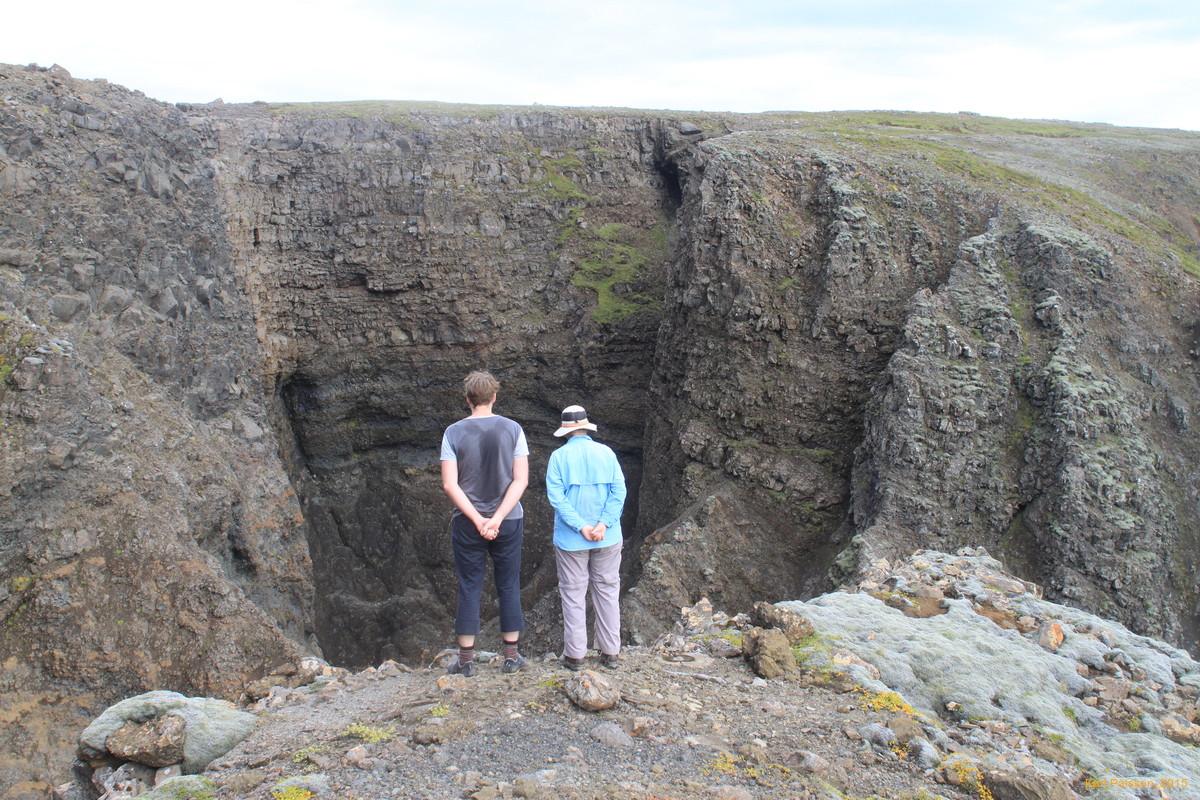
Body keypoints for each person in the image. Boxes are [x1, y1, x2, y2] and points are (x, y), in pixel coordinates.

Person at [440, 371, 529, 675]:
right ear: (494, 397)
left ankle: (466, 662)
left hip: (468, 523)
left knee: (469, 587)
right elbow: (521, 480)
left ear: (467, 399)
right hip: (509, 521)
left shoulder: (452, 432)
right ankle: (511, 657)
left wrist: (479, 520)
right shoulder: (513, 429)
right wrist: (497, 518)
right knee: (508, 584)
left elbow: (450, 485)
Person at [546, 405, 627, 670]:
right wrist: (603, 524)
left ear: (565, 430)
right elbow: (619, 492)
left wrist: (581, 527)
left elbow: (557, 498)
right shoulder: (607, 453)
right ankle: (610, 652)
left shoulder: (558, 457)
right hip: (608, 537)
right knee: (607, 590)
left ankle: (575, 656)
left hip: (572, 541)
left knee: (573, 593)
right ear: (586, 426)